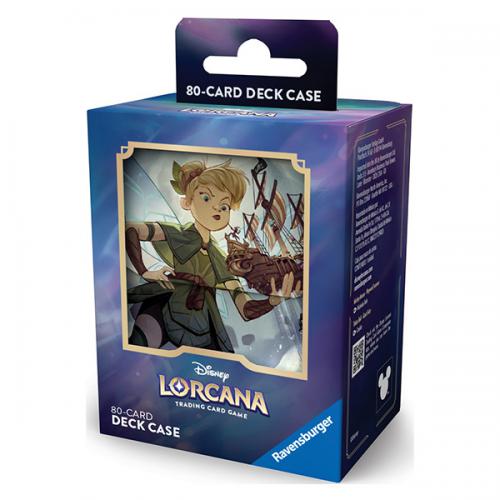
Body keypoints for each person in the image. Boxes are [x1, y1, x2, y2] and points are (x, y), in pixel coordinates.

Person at [125, 158, 299, 352]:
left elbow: (245, 309)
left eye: (224, 206)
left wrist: (272, 301)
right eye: (206, 198)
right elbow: (131, 229)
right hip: (165, 306)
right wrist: (144, 271)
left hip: (203, 326)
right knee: (136, 351)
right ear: (187, 202)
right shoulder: (178, 233)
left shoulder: (221, 259)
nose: (217, 208)